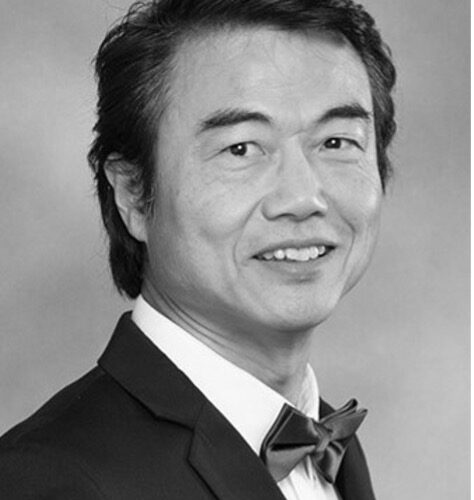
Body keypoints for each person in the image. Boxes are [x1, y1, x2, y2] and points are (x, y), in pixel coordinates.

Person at [0, 0, 396, 498]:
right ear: (132, 194)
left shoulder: (329, 445)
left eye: (336, 142)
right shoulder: (48, 478)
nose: (303, 198)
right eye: (240, 148)